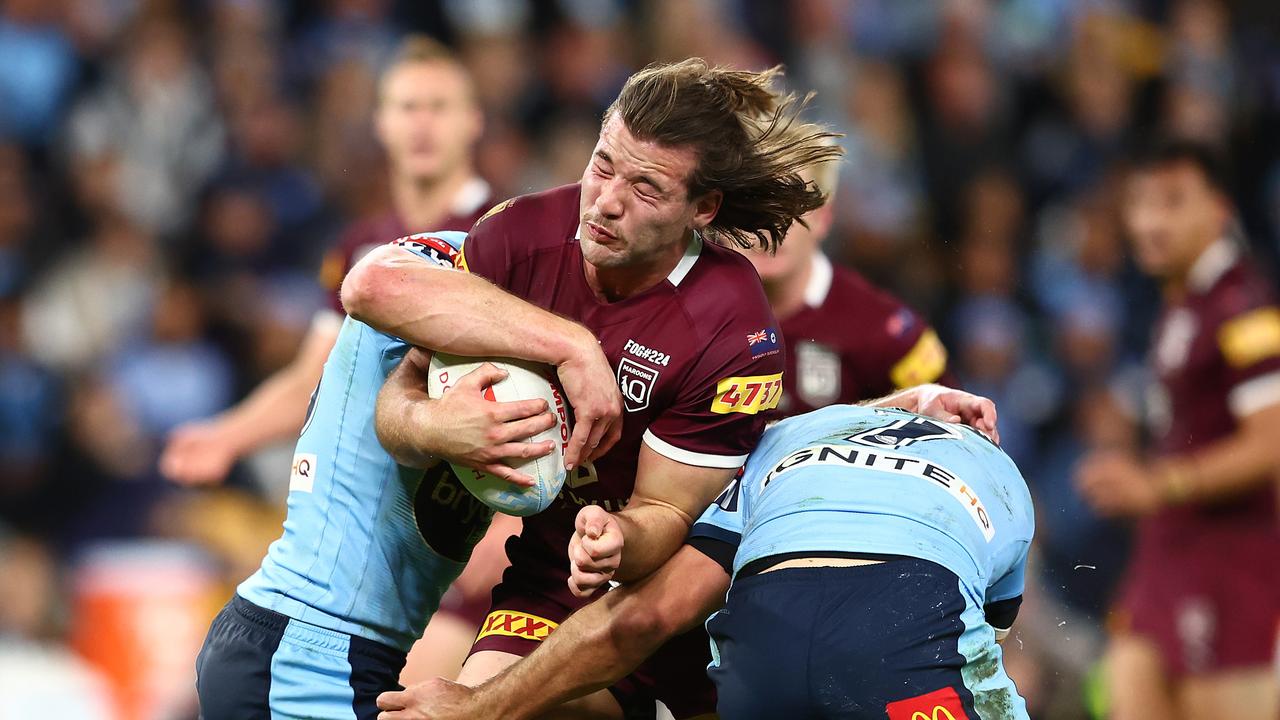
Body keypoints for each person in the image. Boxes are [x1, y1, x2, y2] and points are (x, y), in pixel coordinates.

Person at [348, 59, 996, 718]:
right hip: (554, 584)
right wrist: (438, 427)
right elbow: (398, 390)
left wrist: (620, 537)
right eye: (602, 165)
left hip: (699, 606)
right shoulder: (518, 238)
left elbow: (671, 518)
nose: (605, 202)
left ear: (702, 208)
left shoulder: (730, 322)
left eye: (646, 187)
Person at [376, 404, 1033, 720]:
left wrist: (479, 706)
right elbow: (984, 641)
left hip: (762, 653)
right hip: (902, 628)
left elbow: (650, 612)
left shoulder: (780, 442)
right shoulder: (1006, 479)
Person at [193, 232, 564, 719]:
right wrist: (570, 342)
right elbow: (376, 278)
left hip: (337, 652)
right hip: (308, 649)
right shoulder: (459, 264)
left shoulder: (514, 343)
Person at [160, 35, 489, 487]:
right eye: (408, 108)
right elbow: (315, 377)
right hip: (370, 493)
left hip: (472, 495)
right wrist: (226, 436)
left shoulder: (502, 232)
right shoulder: (359, 246)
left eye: (439, 107)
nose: (422, 125)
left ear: (473, 121)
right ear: (381, 123)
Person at [1075, 141, 1280, 720]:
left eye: (1172, 202)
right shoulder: (1183, 302)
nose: (1149, 221)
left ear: (1218, 211)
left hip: (1231, 563)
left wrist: (1157, 484)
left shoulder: (1243, 308)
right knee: (1125, 693)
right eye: (1139, 202)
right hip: (1168, 553)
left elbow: (1272, 444)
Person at [746, 150, 955, 419]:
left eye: (788, 207)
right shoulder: (689, 312)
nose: (768, 225)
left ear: (823, 218)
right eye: (750, 204)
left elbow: (953, 435)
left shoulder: (883, 329)